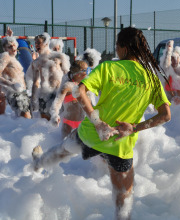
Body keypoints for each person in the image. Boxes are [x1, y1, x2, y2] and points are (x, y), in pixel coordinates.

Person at [31, 27, 171, 219]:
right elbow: (165, 115)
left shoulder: (109, 67)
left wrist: (98, 123)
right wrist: (135, 128)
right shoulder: (151, 78)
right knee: (123, 196)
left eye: (116, 45)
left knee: (63, 150)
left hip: (91, 134)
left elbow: (79, 91)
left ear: (122, 47)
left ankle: (38, 164)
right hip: (121, 144)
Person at [26, 32, 70, 120]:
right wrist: (34, 100)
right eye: (35, 43)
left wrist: (69, 94)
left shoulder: (59, 57)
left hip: (58, 95)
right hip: (44, 97)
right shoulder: (36, 62)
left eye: (39, 43)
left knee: (58, 124)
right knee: (45, 126)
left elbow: (68, 76)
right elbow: (36, 82)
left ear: (46, 43)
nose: (36, 45)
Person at [49, 60, 92, 138]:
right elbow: (57, 103)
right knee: (65, 147)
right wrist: (55, 115)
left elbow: (91, 105)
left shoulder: (86, 85)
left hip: (83, 124)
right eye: (85, 70)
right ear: (77, 73)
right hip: (68, 124)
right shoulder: (67, 86)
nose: (88, 72)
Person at [0, 28, 31, 118]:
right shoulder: (5, 57)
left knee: (26, 119)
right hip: (15, 94)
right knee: (25, 118)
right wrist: (11, 85)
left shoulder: (12, 57)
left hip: (23, 92)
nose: (13, 48)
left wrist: (10, 37)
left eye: (14, 45)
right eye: (10, 47)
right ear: (4, 49)